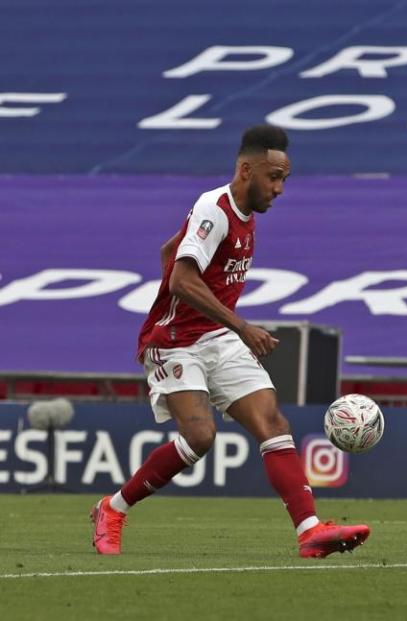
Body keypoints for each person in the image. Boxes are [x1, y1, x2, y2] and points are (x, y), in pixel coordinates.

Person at [90, 125, 370, 557]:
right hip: (176, 339)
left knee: (273, 425)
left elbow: (171, 252)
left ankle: (310, 532)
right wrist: (241, 326)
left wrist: (225, 325)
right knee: (201, 438)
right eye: (273, 177)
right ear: (246, 170)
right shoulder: (214, 210)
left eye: (284, 179)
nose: (279, 189)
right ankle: (112, 507)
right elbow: (182, 279)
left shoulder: (244, 215)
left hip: (215, 337)